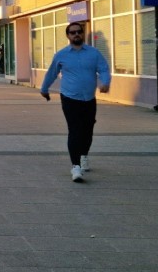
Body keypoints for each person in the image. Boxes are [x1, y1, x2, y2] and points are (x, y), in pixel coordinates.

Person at [39, 22, 111, 182]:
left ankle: (84, 155)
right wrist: (44, 89)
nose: (76, 34)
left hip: (89, 99)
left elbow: (104, 68)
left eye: (79, 32)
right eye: (73, 32)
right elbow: (52, 73)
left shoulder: (94, 53)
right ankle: (75, 166)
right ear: (68, 36)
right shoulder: (61, 55)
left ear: (83, 33)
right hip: (70, 98)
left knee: (88, 129)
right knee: (75, 130)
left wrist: (105, 82)